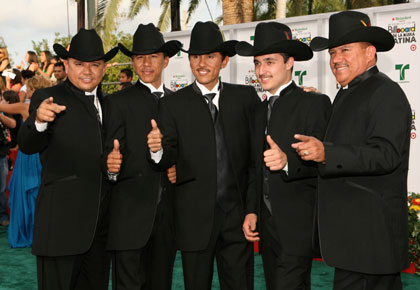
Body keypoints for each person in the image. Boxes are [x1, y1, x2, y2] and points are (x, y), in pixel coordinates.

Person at [291, 11, 412, 290]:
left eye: (345, 50)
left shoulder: (386, 93)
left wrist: (327, 153)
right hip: (354, 243)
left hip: (371, 242)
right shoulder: (346, 94)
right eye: (333, 52)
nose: (336, 59)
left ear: (370, 53)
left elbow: (385, 154)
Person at [147, 21, 259, 290]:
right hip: (193, 222)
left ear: (223, 61)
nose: (201, 63)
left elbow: (255, 161)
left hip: (237, 219)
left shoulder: (245, 98)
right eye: (195, 56)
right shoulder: (172, 104)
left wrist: (252, 209)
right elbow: (167, 157)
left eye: (210, 56)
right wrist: (157, 148)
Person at [18, 28, 118, 290]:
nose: (87, 71)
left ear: (104, 67)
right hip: (60, 231)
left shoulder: (111, 105)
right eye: (79, 64)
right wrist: (38, 121)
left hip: (99, 236)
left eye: (94, 64)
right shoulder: (47, 98)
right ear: (66, 64)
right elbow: (27, 145)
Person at [237, 22, 331, 290]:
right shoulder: (258, 110)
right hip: (266, 228)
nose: (261, 70)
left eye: (269, 62)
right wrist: (251, 211)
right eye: (257, 63)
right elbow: (255, 168)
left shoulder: (314, 103)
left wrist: (289, 163)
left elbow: (326, 163)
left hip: (297, 225)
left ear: (290, 62)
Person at [104, 23, 181, 290]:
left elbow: (189, 154)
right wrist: (110, 167)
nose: (146, 63)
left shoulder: (180, 103)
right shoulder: (117, 102)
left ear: (166, 60)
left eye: (153, 56)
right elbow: (106, 156)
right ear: (133, 61)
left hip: (168, 221)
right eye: (139, 57)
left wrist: (177, 166)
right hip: (128, 218)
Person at [8, 75, 50, 248]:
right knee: (38, 194)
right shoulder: (50, 107)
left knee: (24, 194)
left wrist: (23, 95)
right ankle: (40, 233)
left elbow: (2, 106)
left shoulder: (25, 106)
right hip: (42, 155)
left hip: (27, 155)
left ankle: (25, 232)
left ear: (33, 90)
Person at [0, 90, 21, 227]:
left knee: (2, 188)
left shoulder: (4, 110)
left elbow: (13, 124)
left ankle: (2, 216)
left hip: (2, 152)